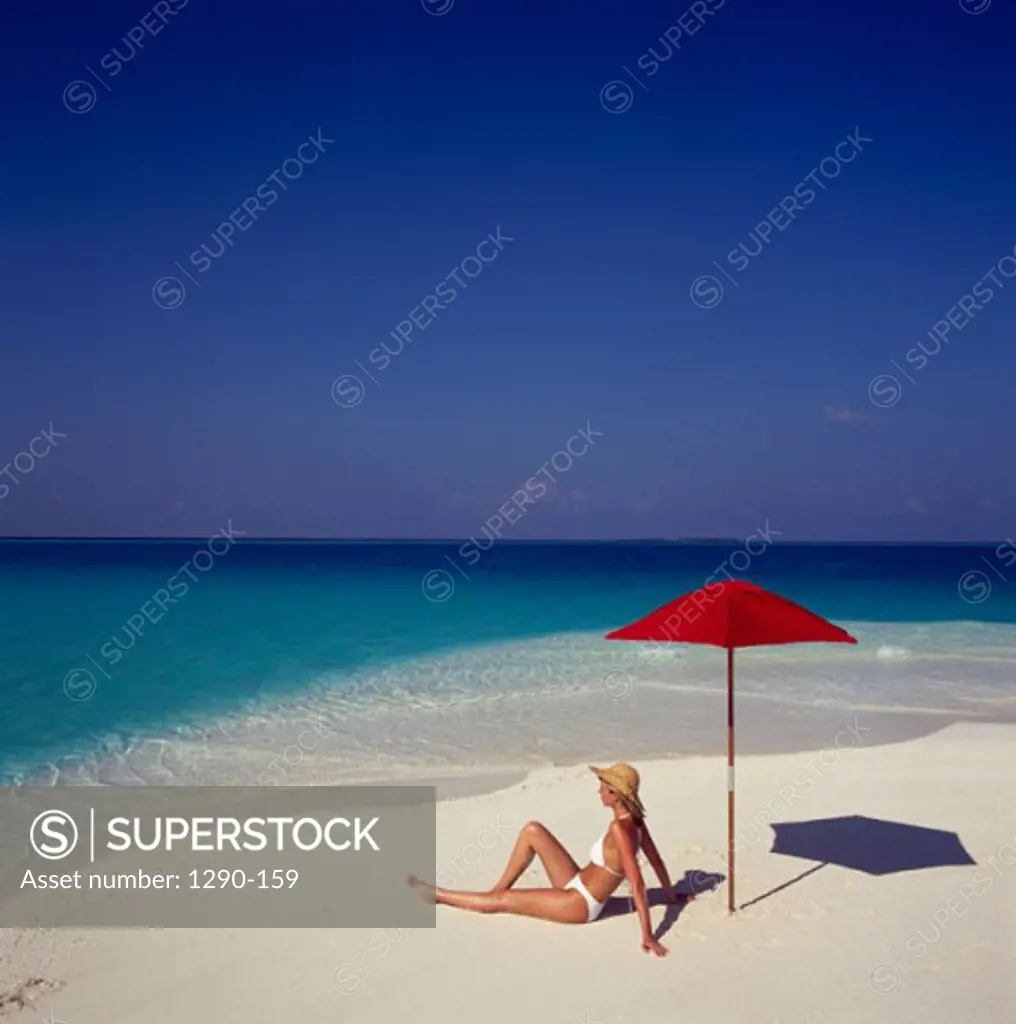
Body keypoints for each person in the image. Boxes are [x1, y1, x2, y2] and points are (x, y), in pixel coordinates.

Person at [408, 762, 680, 956]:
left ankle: (438, 894)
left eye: (603, 787)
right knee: (532, 831)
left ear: (616, 794)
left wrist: (647, 934)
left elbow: (638, 883)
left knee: (502, 904)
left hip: (581, 905)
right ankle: (497, 888)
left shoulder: (621, 830)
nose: (599, 791)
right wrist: (670, 894)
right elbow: (657, 863)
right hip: (575, 883)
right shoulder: (636, 823)